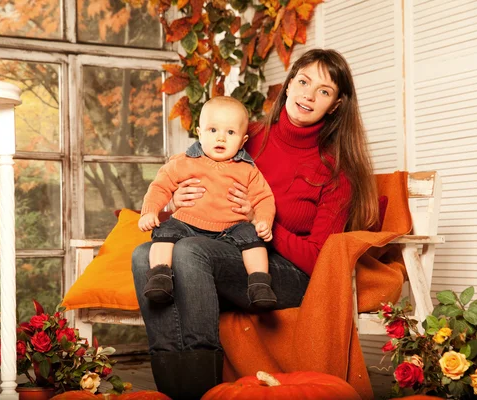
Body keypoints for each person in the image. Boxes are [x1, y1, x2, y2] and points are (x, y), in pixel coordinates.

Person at [132, 48, 379, 400]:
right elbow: (194, 181)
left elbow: (319, 260)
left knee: (189, 253)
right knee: (144, 256)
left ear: (337, 104)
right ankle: (173, 391)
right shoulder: (246, 134)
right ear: (290, 83)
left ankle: (206, 392)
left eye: (323, 91)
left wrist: (263, 223)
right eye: (304, 81)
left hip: (285, 273)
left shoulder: (336, 169)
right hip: (221, 247)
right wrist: (176, 202)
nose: (308, 95)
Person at [138, 96, 277, 309]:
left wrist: (264, 221)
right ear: (199, 132)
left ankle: (259, 283)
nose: (220, 138)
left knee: (254, 238)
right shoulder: (183, 162)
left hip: (232, 229)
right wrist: (150, 211)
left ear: (242, 140)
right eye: (213, 130)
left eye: (230, 133)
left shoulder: (248, 170)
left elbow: (265, 198)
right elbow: (160, 187)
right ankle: (160, 276)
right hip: (187, 223)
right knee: (165, 232)